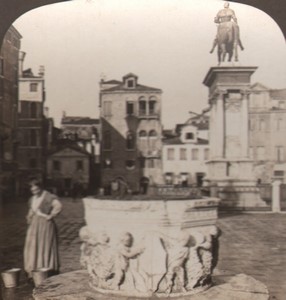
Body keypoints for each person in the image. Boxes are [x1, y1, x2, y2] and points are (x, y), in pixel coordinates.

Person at [24, 178, 62, 279]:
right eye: (32, 190)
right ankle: (34, 268)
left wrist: (50, 216)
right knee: (33, 245)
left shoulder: (48, 196)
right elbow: (31, 210)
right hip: (34, 224)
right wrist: (29, 217)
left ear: (40, 187)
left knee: (45, 245)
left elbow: (58, 206)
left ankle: (47, 268)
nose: (35, 192)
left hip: (46, 224)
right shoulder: (32, 199)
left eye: (36, 190)